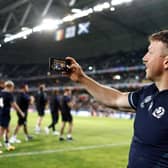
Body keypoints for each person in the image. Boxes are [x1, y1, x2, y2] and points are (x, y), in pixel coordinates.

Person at [65, 30, 168, 167]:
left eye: (150, 52)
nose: (144, 58)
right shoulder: (148, 93)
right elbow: (115, 99)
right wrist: (82, 78)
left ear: (166, 62)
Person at [0, 81, 24, 154]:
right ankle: (7, 144)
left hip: (1, 112)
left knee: (7, 130)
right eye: (13, 87)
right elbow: (14, 105)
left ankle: (7, 144)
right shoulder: (8, 94)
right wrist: (21, 112)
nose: (13, 89)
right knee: (2, 131)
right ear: (10, 86)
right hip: (5, 114)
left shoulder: (1, 92)